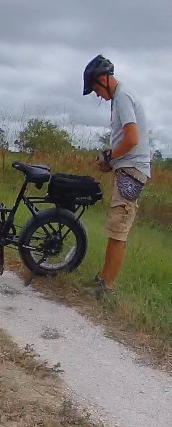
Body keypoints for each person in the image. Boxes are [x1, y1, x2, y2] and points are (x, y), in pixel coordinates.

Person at [83, 54, 152, 298]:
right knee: (115, 227)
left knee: (118, 229)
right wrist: (111, 161)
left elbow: (132, 139)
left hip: (131, 171)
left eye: (95, 89)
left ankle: (106, 287)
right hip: (127, 168)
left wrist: (110, 157)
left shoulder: (122, 96)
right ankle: (103, 278)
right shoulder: (121, 97)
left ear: (103, 79)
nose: (97, 95)